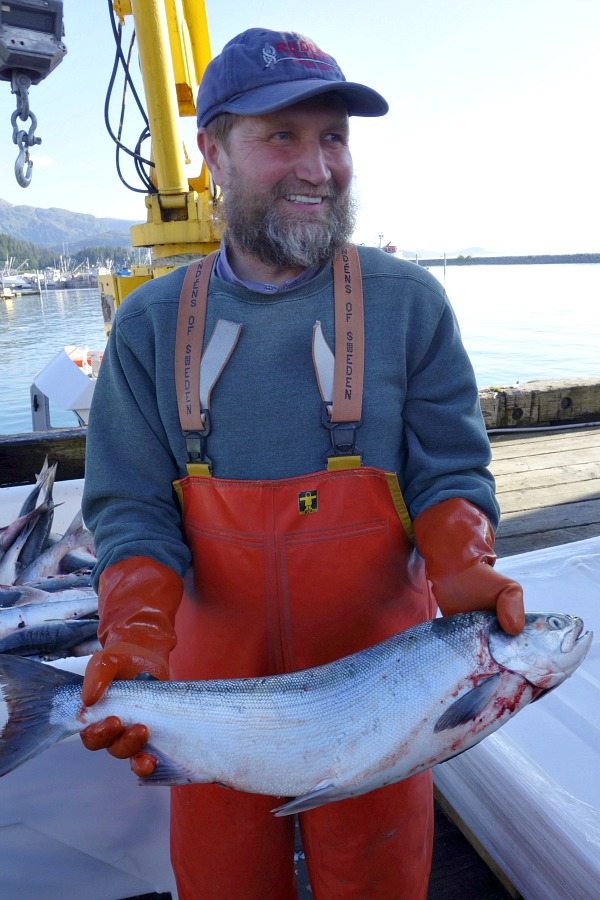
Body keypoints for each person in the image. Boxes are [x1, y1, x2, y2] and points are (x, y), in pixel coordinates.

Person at [80, 27, 525, 900]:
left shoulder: (410, 305)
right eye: (281, 135)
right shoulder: (148, 327)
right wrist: (135, 631)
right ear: (212, 150)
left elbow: (450, 471)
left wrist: (464, 561)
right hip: (213, 704)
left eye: (333, 136)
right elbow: (131, 509)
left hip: (385, 701)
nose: (317, 166)